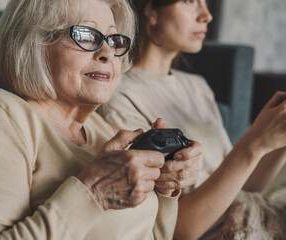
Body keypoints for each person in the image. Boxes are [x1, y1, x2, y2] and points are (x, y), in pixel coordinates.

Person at [0, 0, 204, 239]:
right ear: (33, 41)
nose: (107, 53)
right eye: (85, 35)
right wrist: (92, 194)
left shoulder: (104, 131)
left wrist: (165, 189)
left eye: (113, 39)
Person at [98, 0, 286, 239]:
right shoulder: (118, 96)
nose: (207, 15)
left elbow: (244, 189)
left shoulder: (197, 87)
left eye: (206, 3)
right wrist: (253, 144)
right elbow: (175, 229)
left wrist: (277, 139)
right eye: (189, 1)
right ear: (151, 12)